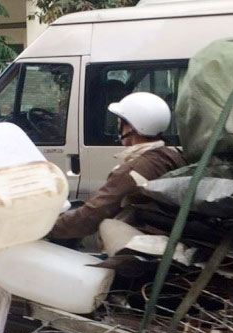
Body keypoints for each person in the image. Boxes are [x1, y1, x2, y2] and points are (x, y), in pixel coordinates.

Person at [48, 92, 185, 239]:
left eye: (120, 122)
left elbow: (92, 214)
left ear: (131, 127)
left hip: (139, 242)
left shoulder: (133, 171)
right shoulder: (171, 155)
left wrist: (49, 228)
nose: (118, 126)